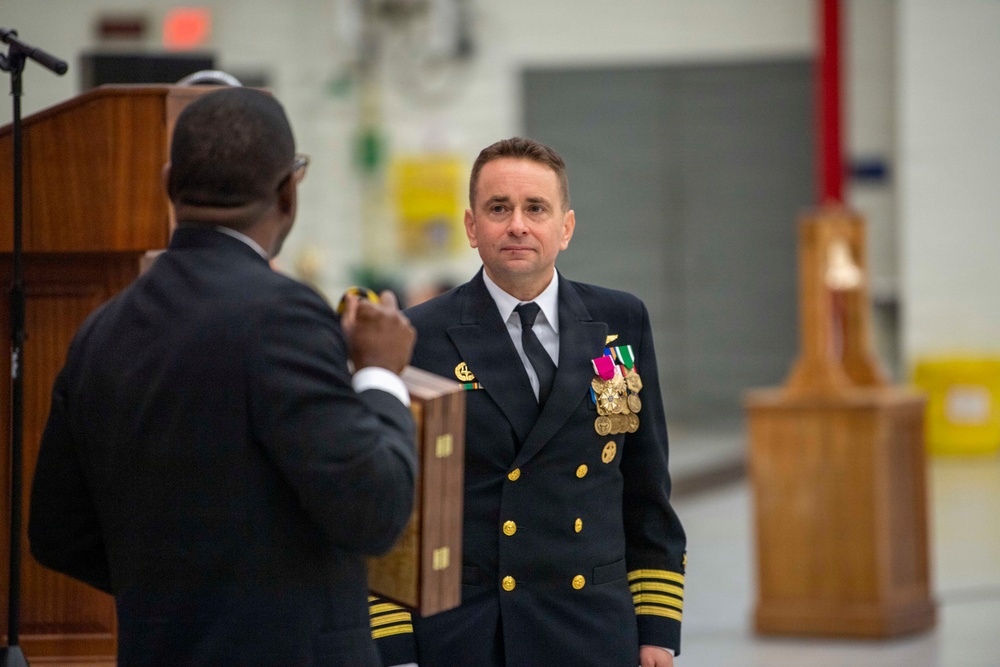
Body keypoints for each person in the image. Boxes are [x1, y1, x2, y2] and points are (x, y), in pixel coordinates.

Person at [28, 87, 418, 666]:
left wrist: (181, 596)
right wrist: (380, 374)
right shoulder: (285, 317)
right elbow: (375, 510)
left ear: (169, 185)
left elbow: (58, 535)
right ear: (288, 192)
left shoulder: (100, 331)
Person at [369, 137, 686, 666]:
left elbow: (646, 488)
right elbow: (395, 514)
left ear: (566, 227)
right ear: (472, 226)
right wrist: (395, 649)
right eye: (499, 208)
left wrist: (656, 628)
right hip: (472, 634)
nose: (517, 225)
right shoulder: (417, 336)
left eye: (536, 208)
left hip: (594, 627)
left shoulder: (620, 321)